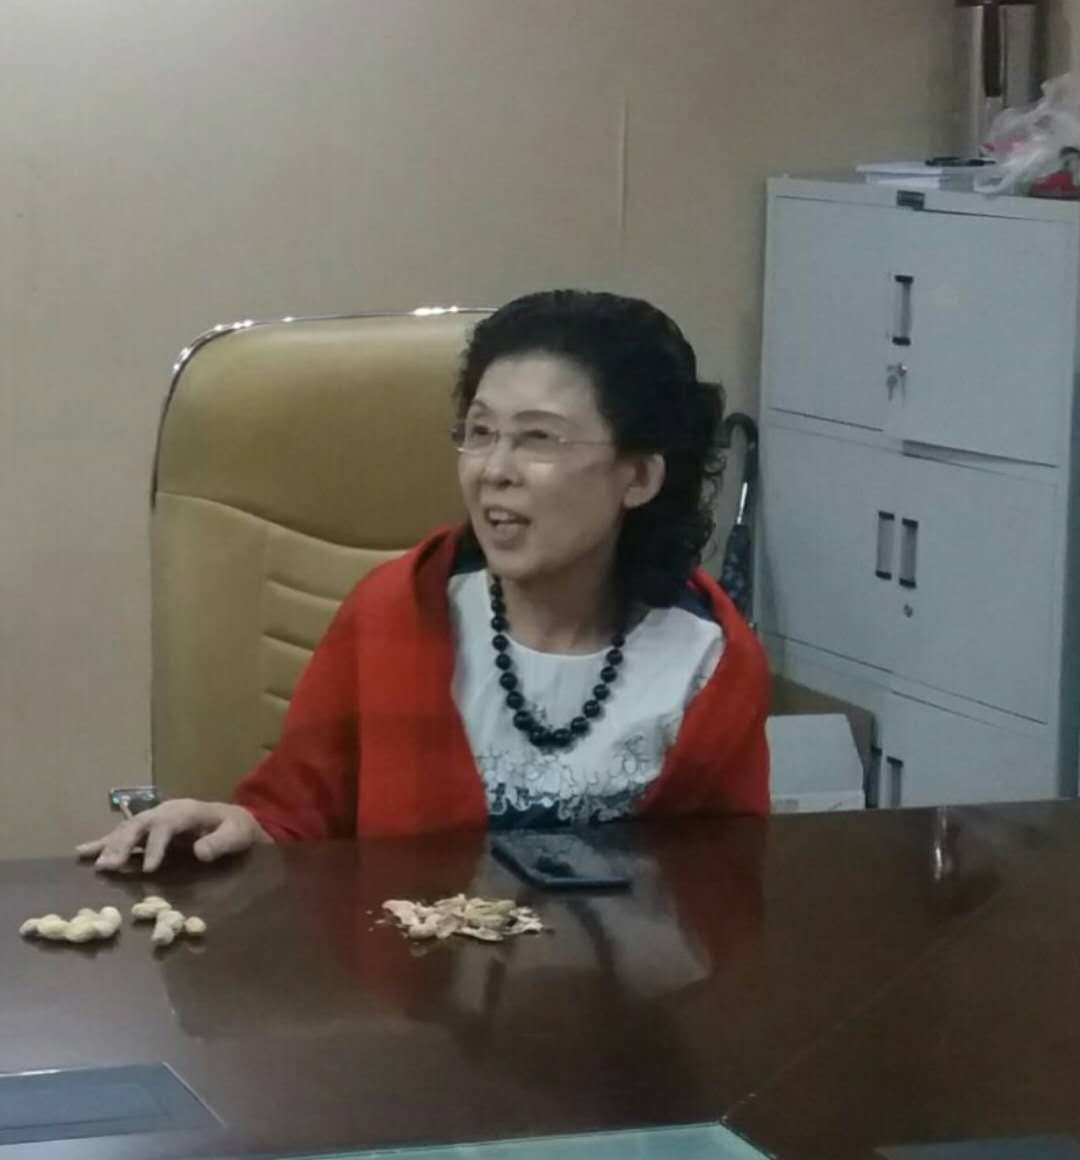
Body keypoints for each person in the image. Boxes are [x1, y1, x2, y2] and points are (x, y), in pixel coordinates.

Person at [78, 289, 770, 874]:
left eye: (538, 438)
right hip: (415, 984)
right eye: (479, 432)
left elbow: (726, 886)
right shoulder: (395, 613)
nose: (493, 470)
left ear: (640, 476)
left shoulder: (709, 661)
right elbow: (296, 820)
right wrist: (236, 827)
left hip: (633, 992)